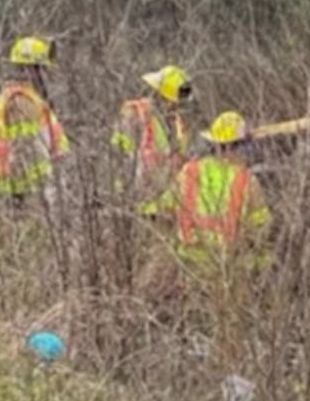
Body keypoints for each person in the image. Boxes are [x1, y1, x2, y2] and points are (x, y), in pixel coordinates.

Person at [164, 110, 271, 270]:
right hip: (228, 266)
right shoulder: (246, 181)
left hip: (188, 264)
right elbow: (261, 229)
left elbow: (166, 208)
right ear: (239, 147)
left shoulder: (189, 171)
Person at [0, 36, 70, 213]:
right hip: (29, 190)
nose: (46, 75)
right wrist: (41, 188)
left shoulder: (28, 97)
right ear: (31, 69)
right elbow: (25, 148)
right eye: (42, 69)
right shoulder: (21, 100)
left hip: (31, 187)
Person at [110, 65, 192, 218]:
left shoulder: (177, 124)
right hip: (137, 205)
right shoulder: (135, 115)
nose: (178, 106)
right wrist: (121, 195)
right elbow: (118, 158)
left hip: (164, 209)